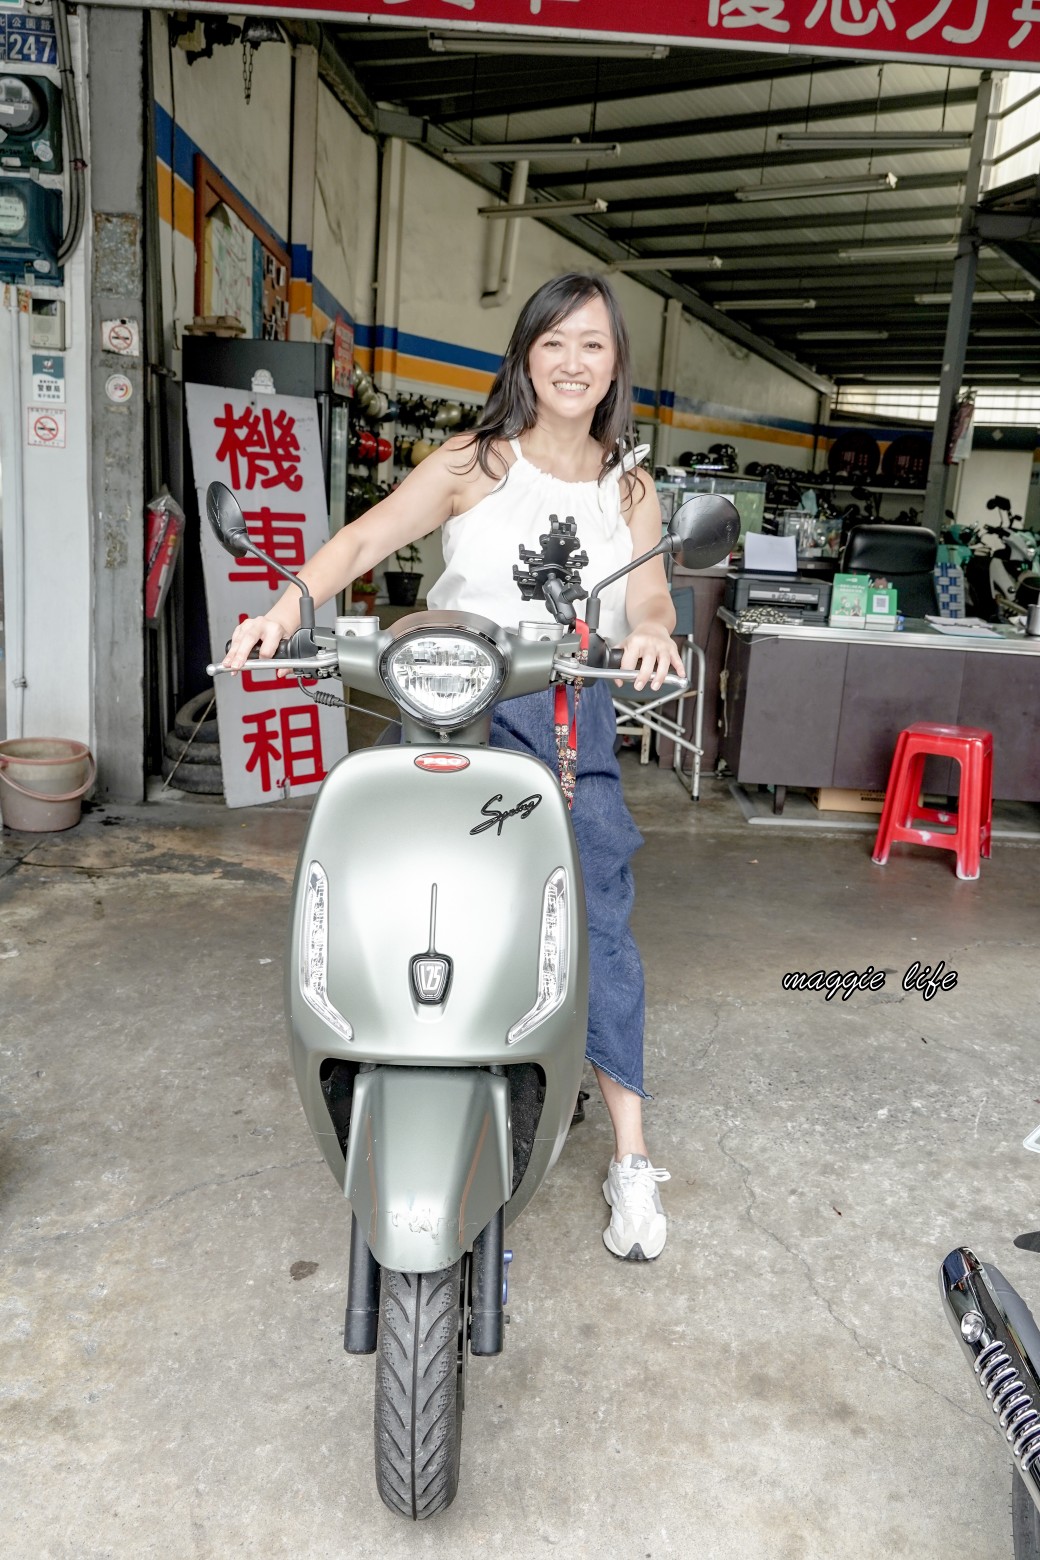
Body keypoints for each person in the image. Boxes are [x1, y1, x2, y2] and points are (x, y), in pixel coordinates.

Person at [223, 271, 682, 1260]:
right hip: (451, 703)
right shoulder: (473, 461)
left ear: (613, 366)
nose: (571, 362)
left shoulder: (629, 484)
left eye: (591, 345)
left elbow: (650, 599)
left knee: (594, 909)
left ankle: (631, 1156)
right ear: (523, 356)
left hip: (567, 716)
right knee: (391, 876)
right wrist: (279, 613)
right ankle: (390, 1064)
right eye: (552, 342)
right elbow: (361, 541)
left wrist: (649, 635)